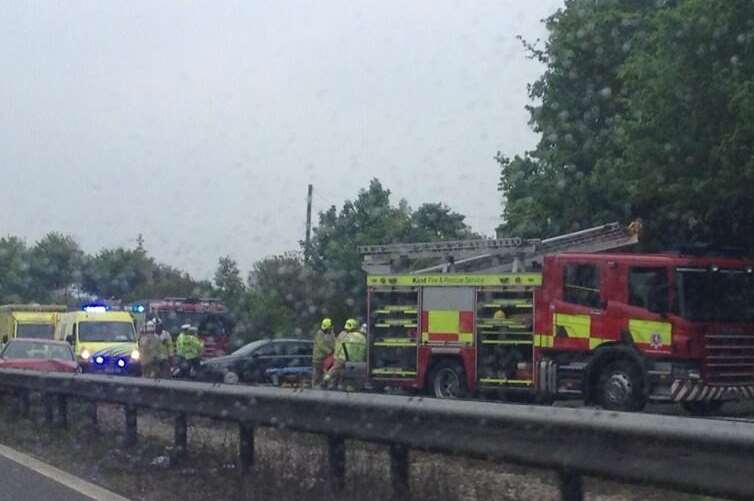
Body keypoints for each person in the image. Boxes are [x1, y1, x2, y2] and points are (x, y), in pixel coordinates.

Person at [325, 318, 366, 389]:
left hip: (342, 357)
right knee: (348, 373)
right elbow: (363, 350)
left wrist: (336, 355)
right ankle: (347, 385)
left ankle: (328, 380)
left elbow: (339, 346)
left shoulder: (345, 335)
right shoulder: (362, 338)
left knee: (335, 370)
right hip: (355, 360)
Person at [312, 317, 335, 388]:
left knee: (326, 374)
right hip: (318, 358)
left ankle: (323, 385)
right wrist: (329, 351)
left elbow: (333, 343)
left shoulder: (329, 334)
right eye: (330, 327)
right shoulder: (319, 334)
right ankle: (315, 386)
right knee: (318, 373)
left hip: (327, 359)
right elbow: (321, 345)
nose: (331, 329)